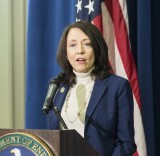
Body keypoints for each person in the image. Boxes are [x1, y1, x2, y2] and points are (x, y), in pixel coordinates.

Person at [46, 21, 136, 156]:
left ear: (97, 49)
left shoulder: (117, 87)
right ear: (66, 53)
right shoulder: (57, 86)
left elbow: (126, 143)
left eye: (87, 44)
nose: (80, 50)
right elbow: (51, 137)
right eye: (72, 45)